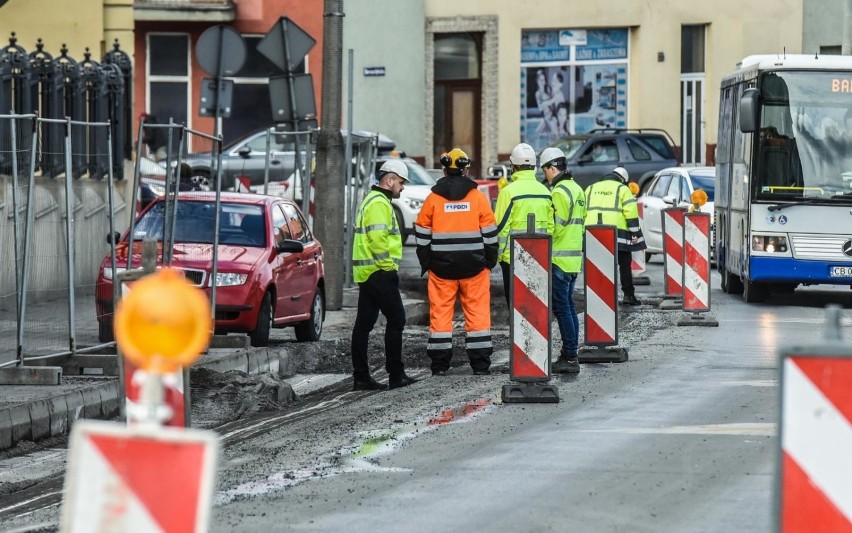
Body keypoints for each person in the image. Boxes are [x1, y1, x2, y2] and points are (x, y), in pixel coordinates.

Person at [414, 148, 498, 376]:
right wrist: (489, 262)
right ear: (465, 169)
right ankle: (480, 365)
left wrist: (427, 263)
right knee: (478, 314)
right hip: (475, 268)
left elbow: (421, 235)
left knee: (440, 315)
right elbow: (490, 234)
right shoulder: (478, 198)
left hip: (441, 268)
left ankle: (440, 366)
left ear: (444, 169)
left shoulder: (433, 199)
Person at [350, 160, 418, 391]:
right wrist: (388, 267)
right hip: (379, 272)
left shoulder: (373, 200)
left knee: (364, 324)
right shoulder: (379, 203)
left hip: (368, 272)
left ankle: (361, 377)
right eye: (400, 182)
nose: (402, 187)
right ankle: (396, 375)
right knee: (397, 318)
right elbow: (378, 240)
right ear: (389, 180)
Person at [540, 147, 586, 374]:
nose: (545, 175)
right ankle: (571, 352)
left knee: (562, 309)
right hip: (573, 259)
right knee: (568, 307)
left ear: (551, 167)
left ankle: (569, 356)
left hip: (558, 258)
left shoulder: (558, 191)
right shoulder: (577, 189)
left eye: (545, 170)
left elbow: (555, 227)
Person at [494, 143, 555, 308]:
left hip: (512, 258)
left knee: (516, 306)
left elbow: (500, 228)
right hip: (539, 255)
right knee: (535, 304)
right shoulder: (545, 192)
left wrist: (498, 257)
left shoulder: (508, 192)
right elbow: (551, 228)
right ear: (534, 166)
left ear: (513, 166)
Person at [584, 166, 646, 305]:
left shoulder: (591, 188)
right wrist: (635, 232)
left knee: (597, 265)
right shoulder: (623, 189)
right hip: (619, 233)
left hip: (593, 232)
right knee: (624, 265)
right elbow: (630, 212)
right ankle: (628, 296)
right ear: (623, 180)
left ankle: (598, 297)